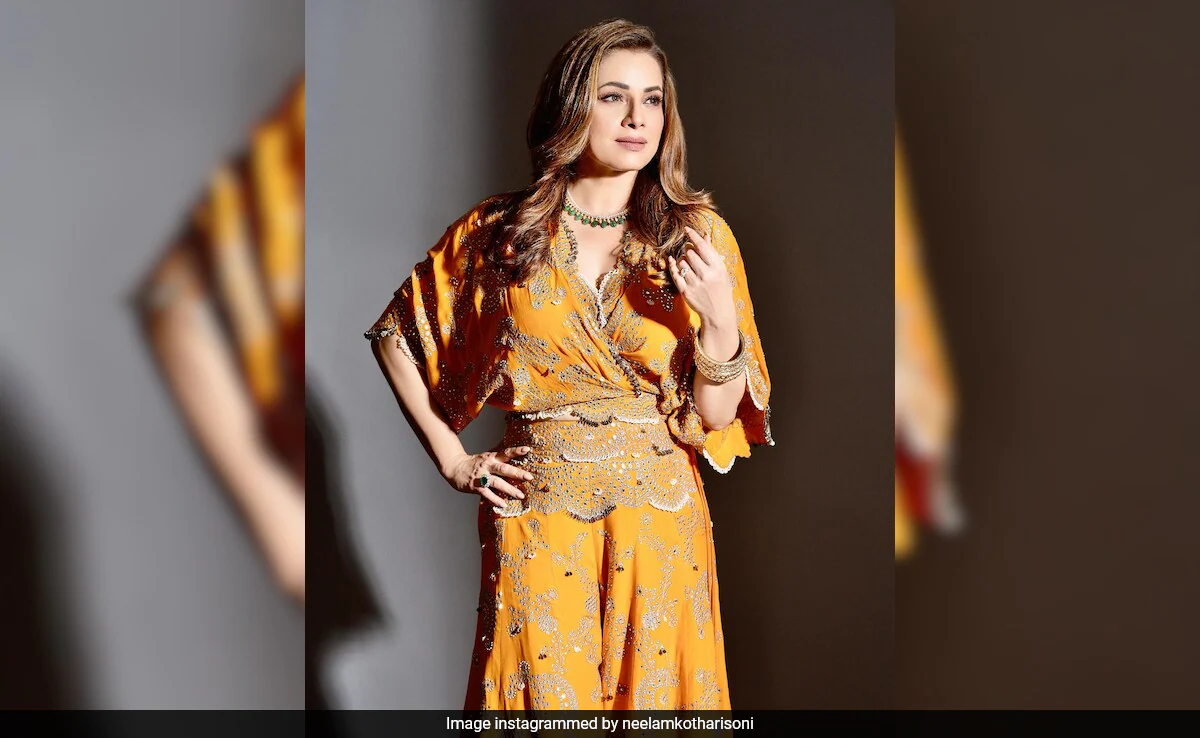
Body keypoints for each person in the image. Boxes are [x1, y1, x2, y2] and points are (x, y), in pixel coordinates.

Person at [365, 19, 773, 710]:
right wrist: (454, 460)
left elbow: (713, 416)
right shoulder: (502, 233)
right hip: (539, 515)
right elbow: (396, 336)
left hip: (661, 524)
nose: (638, 118)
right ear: (572, 105)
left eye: (652, 100)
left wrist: (721, 320)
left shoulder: (696, 235)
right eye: (614, 97)